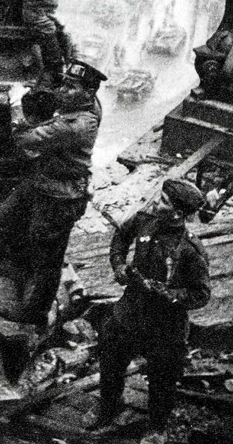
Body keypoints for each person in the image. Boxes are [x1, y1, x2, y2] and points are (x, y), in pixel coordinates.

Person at [84, 178, 211, 444]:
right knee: (110, 360)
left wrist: (168, 294)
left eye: (163, 201)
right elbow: (120, 237)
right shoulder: (144, 220)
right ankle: (108, 408)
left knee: (163, 379)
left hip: (165, 325)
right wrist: (119, 266)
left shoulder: (190, 249)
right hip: (129, 313)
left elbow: (201, 294)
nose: (155, 202)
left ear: (178, 213)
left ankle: (156, 427)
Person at [0, 59, 105, 331]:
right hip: (42, 181)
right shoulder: (84, 105)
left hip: (59, 196)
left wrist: (15, 102)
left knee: (47, 259)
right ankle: (17, 277)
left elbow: (24, 138)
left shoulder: (76, 124)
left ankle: (34, 314)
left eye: (72, 87)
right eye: (64, 83)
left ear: (88, 93)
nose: (63, 90)